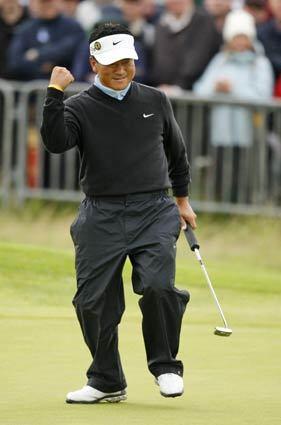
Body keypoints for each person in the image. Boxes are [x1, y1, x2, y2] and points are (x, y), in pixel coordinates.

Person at [40, 22, 197, 403]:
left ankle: (164, 366)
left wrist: (182, 200)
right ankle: (107, 380)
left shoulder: (155, 100)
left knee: (159, 286)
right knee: (92, 301)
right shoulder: (77, 106)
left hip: (154, 209)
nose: (122, 69)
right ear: (94, 63)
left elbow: (176, 153)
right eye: (112, 63)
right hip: (100, 212)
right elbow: (56, 142)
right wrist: (54, 94)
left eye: (127, 61)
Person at [193, 9, 274, 201]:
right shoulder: (220, 61)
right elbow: (199, 90)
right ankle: (222, 208)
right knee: (221, 172)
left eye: (243, 37)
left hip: (248, 132)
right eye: (235, 37)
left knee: (245, 173)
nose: (239, 42)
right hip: (221, 132)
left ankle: (245, 207)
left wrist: (232, 90)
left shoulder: (260, 63)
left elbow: (262, 95)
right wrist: (216, 87)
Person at [151, 0, 222, 94]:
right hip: (162, 92)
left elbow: (198, 58)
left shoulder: (204, 21)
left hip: (192, 96)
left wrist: (179, 86)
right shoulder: (160, 24)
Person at [7, 0, 86, 80]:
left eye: (50, 2)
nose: (47, 5)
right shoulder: (26, 29)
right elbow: (15, 62)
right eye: (43, 2)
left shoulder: (72, 26)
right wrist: (39, 68)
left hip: (67, 87)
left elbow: (71, 49)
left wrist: (38, 54)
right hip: (32, 86)